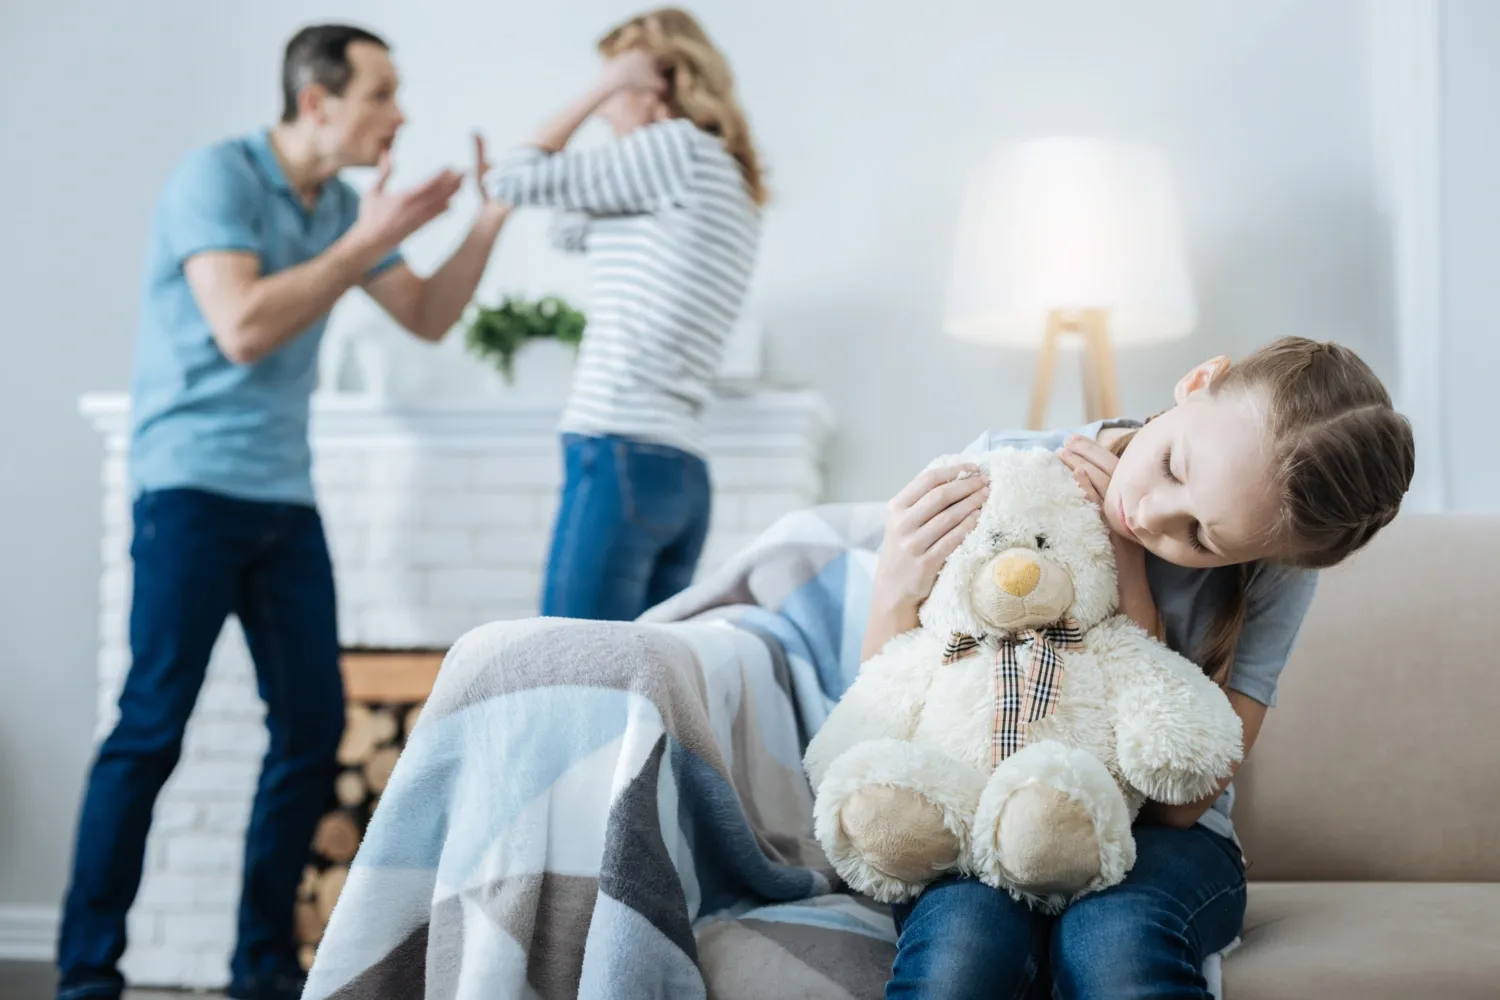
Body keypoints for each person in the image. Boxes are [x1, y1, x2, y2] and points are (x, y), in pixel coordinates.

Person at [56, 24, 510, 1000]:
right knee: (153, 726)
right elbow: (244, 327)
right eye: (382, 93)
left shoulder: (341, 205)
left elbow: (426, 315)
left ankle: (260, 969)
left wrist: (487, 219)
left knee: (311, 725)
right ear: (318, 100)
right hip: (187, 492)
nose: (400, 114)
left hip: (282, 501)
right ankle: (86, 973)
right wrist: (367, 241)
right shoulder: (215, 180)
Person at [870, 337, 1414, 999]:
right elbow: (892, 710)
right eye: (1174, 467)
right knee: (962, 945)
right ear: (1199, 379)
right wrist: (894, 587)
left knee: (1114, 938)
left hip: (1161, 842)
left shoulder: (1277, 571)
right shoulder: (1009, 473)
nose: (1151, 514)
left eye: (1202, 538)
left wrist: (1131, 581)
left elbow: (1182, 808)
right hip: (981, 810)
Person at [482, 7, 766, 622]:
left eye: (615, 87)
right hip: (681, 472)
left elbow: (510, 177)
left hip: (618, 450)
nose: (608, 109)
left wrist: (599, 89)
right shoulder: (726, 174)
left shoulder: (674, 149)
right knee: (644, 694)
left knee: (566, 669)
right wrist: (619, 110)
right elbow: (568, 229)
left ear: (656, 79)